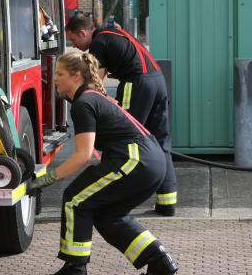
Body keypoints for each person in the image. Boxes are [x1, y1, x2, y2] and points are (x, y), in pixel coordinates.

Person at [26, 52, 178, 275]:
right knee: (108, 215)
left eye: (60, 74)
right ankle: (159, 261)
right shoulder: (92, 97)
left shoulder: (84, 102)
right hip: (149, 162)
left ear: (76, 76)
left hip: (135, 160)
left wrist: (44, 180)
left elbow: (83, 155)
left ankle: (75, 269)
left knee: (75, 199)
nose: (55, 78)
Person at [64, 14, 177, 217]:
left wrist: (73, 95)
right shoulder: (114, 32)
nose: (75, 46)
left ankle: (112, 197)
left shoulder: (99, 43)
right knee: (160, 140)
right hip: (158, 81)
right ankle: (167, 202)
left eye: (73, 40)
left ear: (83, 33)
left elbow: (94, 84)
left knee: (120, 139)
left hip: (136, 84)